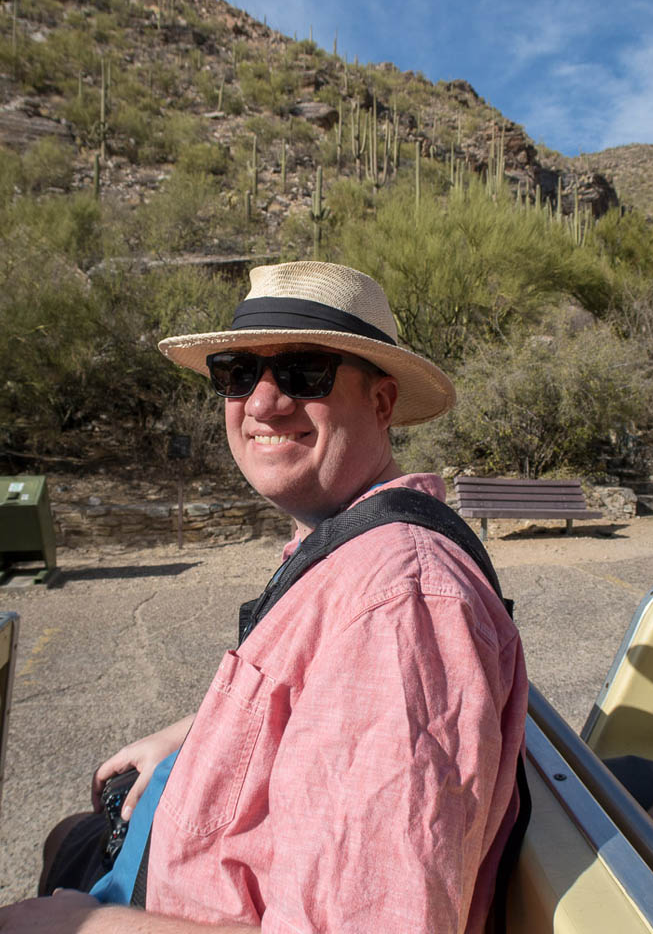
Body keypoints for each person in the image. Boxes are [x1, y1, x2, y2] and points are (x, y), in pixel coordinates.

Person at [0, 260, 528, 933]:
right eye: (237, 373)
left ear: (382, 402)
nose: (262, 403)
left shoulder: (400, 606)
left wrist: (83, 927)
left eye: (305, 372)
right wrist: (198, 737)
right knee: (65, 841)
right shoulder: (354, 550)